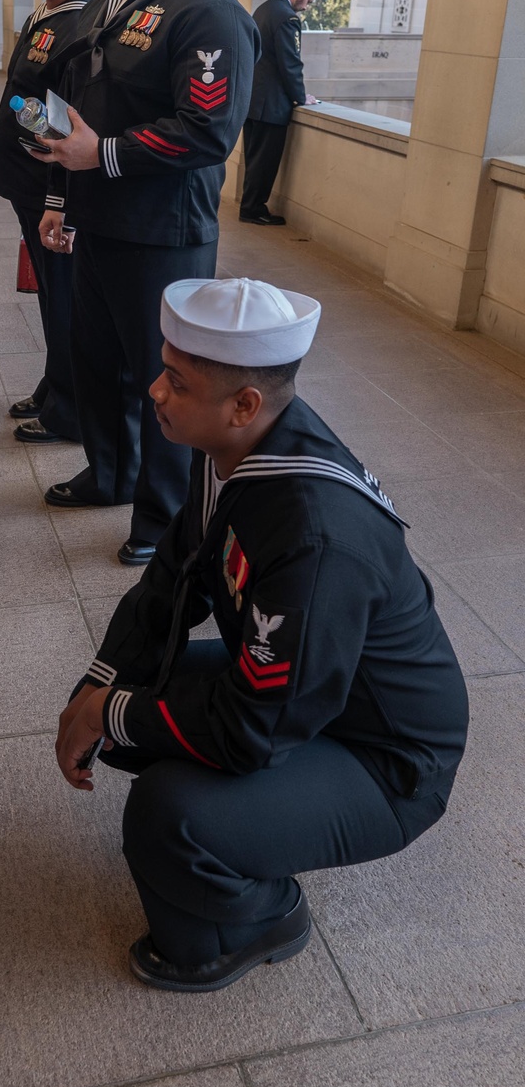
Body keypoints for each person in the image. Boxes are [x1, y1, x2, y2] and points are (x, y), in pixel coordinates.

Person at [56, 275, 468, 994]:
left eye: (176, 382)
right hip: (321, 698)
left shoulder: (313, 535)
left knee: (165, 815)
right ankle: (246, 826)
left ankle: (262, 914)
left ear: (243, 404)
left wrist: (111, 713)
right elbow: (172, 582)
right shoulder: (239, 449)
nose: (155, 390)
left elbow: (251, 730)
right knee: (130, 707)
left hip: (388, 760)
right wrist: (99, 686)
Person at [29, 0, 260, 566]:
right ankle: (111, 474)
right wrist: (63, 197)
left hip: (162, 230)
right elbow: (86, 104)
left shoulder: (208, 10)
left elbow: (207, 131)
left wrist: (101, 156)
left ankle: (164, 520)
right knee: (96, 362)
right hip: (99, 217)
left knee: (171, 383)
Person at [0, 0, 107, 445]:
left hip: (51, 190)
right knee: (49, 294)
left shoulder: (85, 24)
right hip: (28, 184)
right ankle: (54, 383)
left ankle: (71, 410)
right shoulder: (48, 11)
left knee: (65, 299)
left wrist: (59, 203)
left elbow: (69, 122)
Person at [240, 0, 322, 225]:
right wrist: (300, 97)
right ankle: (253, 209)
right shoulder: (287, 18)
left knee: (254, 158)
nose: (306, 7)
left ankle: (249, 206)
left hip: (253, 100)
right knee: (264, 162)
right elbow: (290, 63)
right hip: (272, 105)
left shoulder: (263, 9)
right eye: (308, 0)